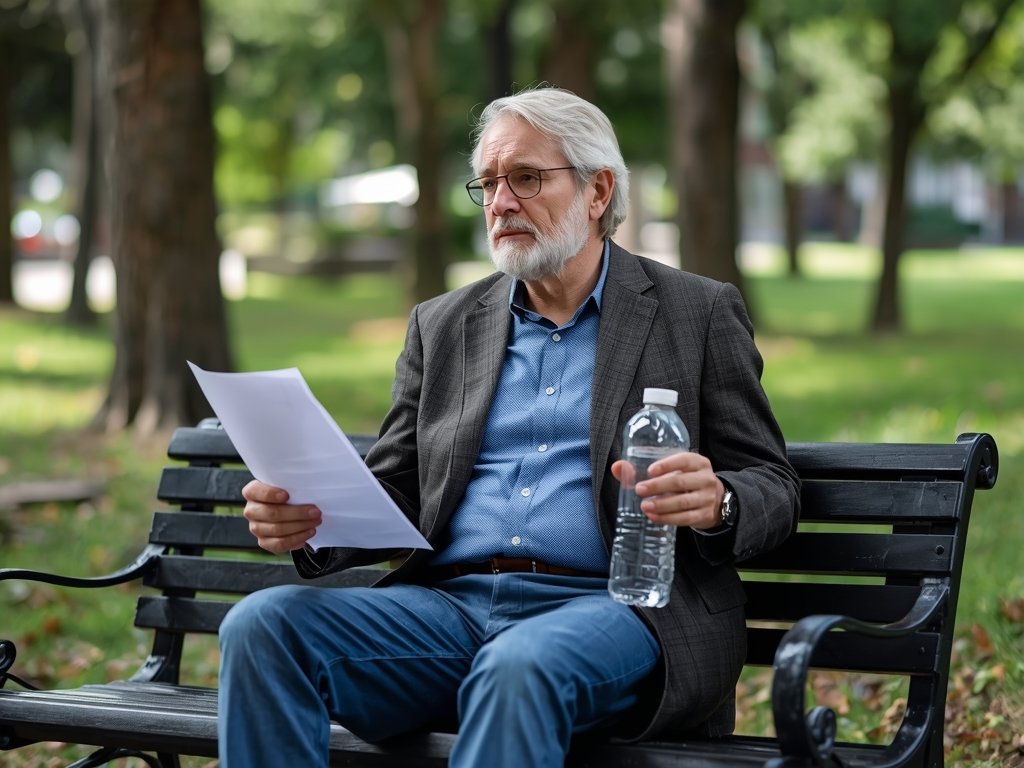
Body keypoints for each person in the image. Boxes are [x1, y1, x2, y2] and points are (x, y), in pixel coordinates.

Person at [218, 86, 799, 768]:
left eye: (526, 178)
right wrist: (313, 520)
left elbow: (774, 484)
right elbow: (400, 487)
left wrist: (719, 501)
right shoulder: (442, 326)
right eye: (489, 183)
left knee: (518, 664)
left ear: (597, 190)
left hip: (618, 612)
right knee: (263, 626)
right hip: (450, 610)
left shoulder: (693, 312)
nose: (501, 203)